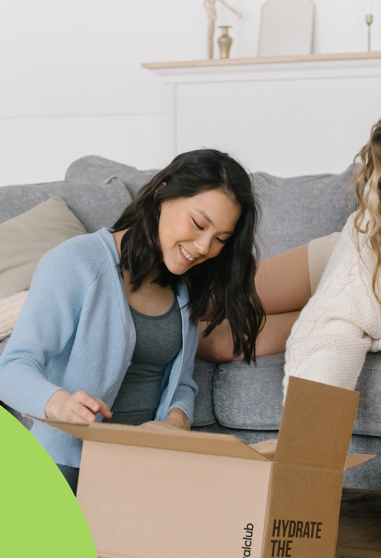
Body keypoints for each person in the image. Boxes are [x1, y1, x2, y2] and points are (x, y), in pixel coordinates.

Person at [0, 149, 264, 493]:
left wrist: (175, 421)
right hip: (65, 467)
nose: (203, 247)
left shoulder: (185, 286)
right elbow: (12, 367)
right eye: (199, 224)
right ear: (162, 193)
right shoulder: (75, 263)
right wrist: (60, 403)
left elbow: (181, 382)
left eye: (220, 240)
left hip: (144, 470)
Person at [199, 102, 381, 397]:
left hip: (370, 306)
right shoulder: (374, 225)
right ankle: (144, 318)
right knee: (211, 299)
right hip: (351, 258)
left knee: (222, 344)